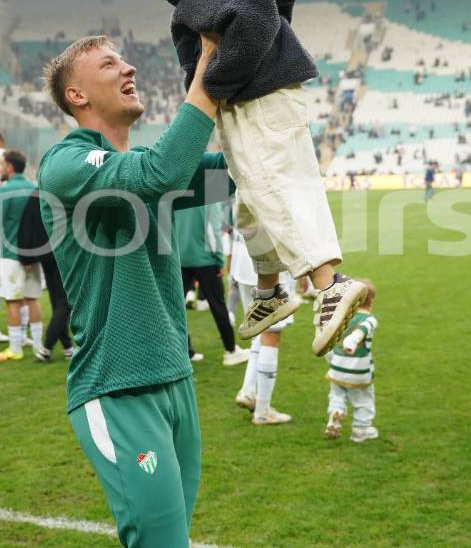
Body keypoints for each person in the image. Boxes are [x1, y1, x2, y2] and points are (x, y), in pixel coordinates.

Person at [148, 0, 366, 356]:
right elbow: (259, 20)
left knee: (276, 187)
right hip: (251, 100)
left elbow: (253, 23)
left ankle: (330, 284)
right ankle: (269, 292)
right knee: (252, 200)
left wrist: (215, 82)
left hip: (256, 100)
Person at [38, 33, 228, 545]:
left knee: (173, 539)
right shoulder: (64, 163)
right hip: (118, 386)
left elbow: (237, 175)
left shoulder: (143, 168)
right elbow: (160, 172)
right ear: (76, 94)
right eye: (109, 64)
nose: (129, 69)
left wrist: (262, 98)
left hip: (175, 378)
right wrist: (207, 72)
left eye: (124, 61)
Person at [231, 218, 296, 426]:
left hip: (242, 260)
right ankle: (262, 410)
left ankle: (248, 391)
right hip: (269, 265)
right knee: (271, 336)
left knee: (259, 329)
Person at [0, 150, 42, 362]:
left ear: (9, 167)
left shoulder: (5, 191)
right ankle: (39, 346)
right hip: (32, 254)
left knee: (12, 301)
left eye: (1, 165)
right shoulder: (34, 188)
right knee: (32, 299)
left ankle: (15, 348)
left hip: (11, 254)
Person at [175, 200, 247, 366]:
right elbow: (214, 229)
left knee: (177, 308)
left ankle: (186, 351)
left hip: (180, 258)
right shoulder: (209, 195)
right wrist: (220, 259)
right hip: (206, 259)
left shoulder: (179, 192)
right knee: (218, 306)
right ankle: (231, 350)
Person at [17, 187, 75, 362]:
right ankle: (47, 348)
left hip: (45, 253)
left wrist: (25, 255)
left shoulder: (37, 193)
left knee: (58, 302)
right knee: (64, 303)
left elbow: (26, 224)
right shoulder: (63, 189)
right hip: (62, 252)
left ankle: (67, 347)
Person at [323, 279, 379, 442]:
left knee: (336, 395)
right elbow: (363, 329)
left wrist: (332, 361)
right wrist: (353, 340)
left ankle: (336, 412)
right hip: (359, 371)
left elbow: (328, 342)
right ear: (371, 300)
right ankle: (360, 430)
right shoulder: (369, 319)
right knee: (363, 400)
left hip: (337, 369)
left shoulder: (341, 318)